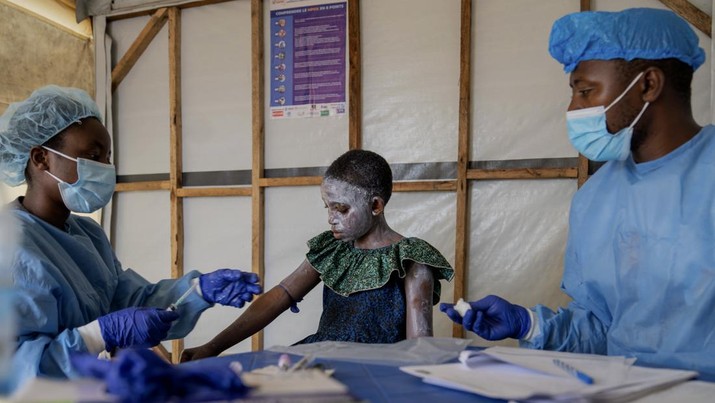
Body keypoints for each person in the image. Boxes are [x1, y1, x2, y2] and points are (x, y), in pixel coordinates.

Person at [441, 7, 715, 379]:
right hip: (626, 390)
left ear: (649, 85)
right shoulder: (596, 198)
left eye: (586, 91)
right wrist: (528, 326)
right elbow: (603, 326)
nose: (574, 109)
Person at [0, 85, 263, 391]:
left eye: (107, 157)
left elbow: (129, 303)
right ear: (41, 157)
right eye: (92, 155)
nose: (104, 168)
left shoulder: (88, 234)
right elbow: (15, 367)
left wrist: (197, 291)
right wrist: (100, 334)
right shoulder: (10, 244)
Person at [181, 149, 454, 361]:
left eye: (341, 209)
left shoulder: (410, 259)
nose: (331, 219)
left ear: (375, 205)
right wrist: (212, 347)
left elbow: (420, 345)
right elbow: (277, 299)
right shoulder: (332, 249)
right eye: (327, 207)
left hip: (377, 367)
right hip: (321, 359)